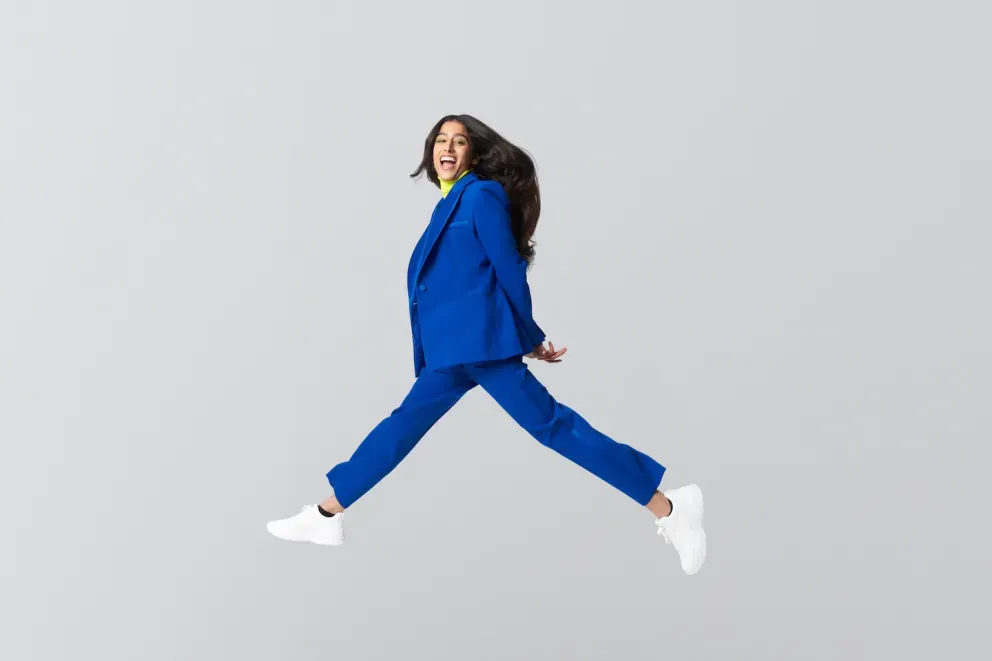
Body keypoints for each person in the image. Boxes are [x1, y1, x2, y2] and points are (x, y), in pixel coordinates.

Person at [266, 114, 706, 575]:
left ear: (473, 154)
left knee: (554, 428)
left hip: (483, 345)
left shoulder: (480, 195)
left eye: (459, 141)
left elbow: (508, 267)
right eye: (441, 140)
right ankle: (325, 515)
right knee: (400, 431)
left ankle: (669, 508)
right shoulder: (449, 202)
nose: (447, 147)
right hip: (452, 351)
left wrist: (529, 335)